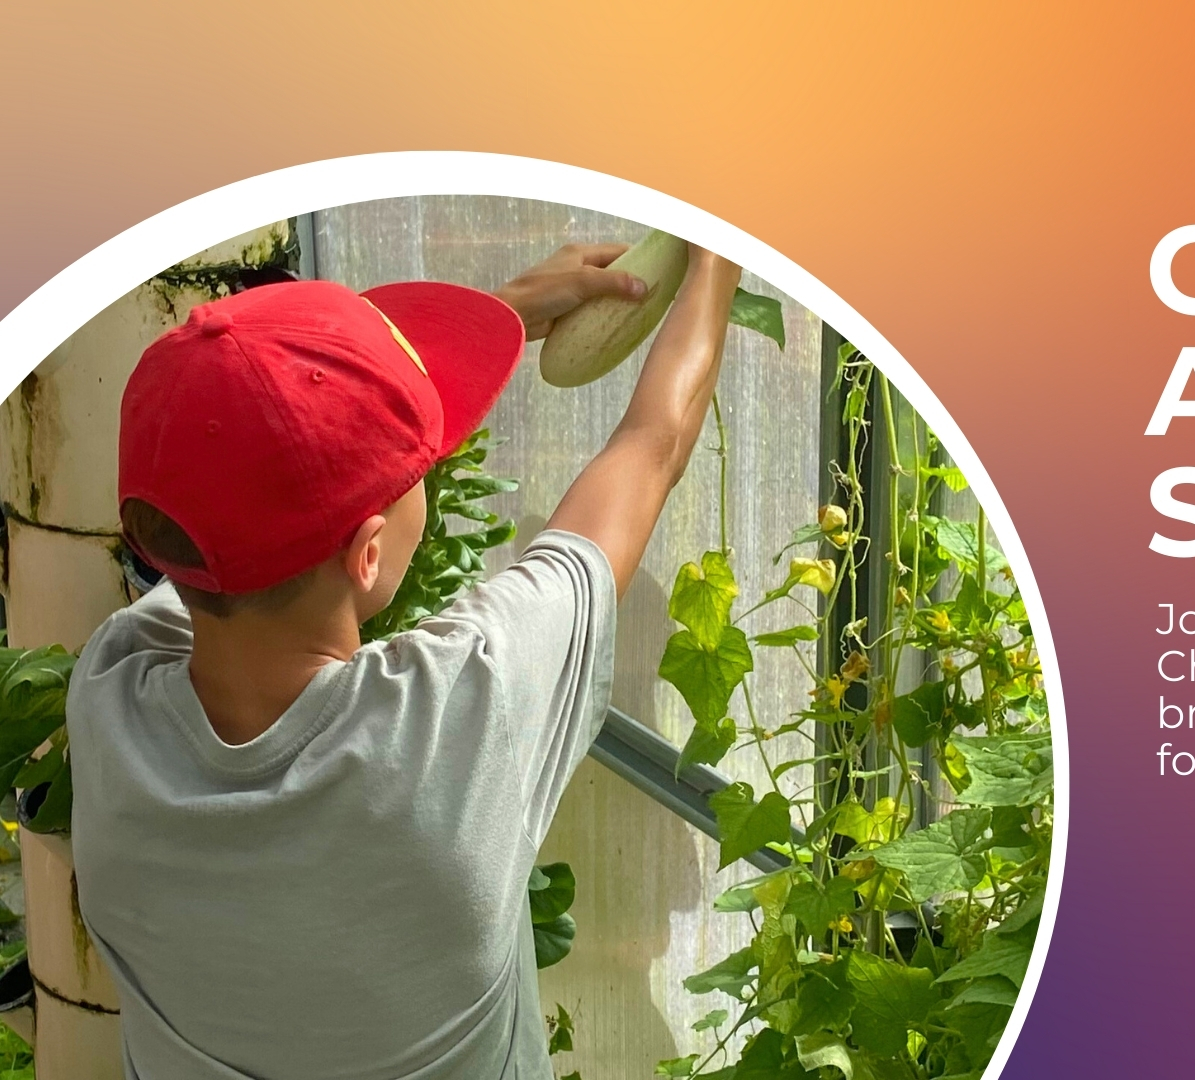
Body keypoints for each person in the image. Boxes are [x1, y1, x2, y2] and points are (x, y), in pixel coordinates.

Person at [63, 240, 743, 1078]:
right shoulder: (456, 720)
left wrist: (466, 331)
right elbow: (653, 446)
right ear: (369, 555)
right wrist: (716, 255)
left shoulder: (108, 697)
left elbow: (274, 505)